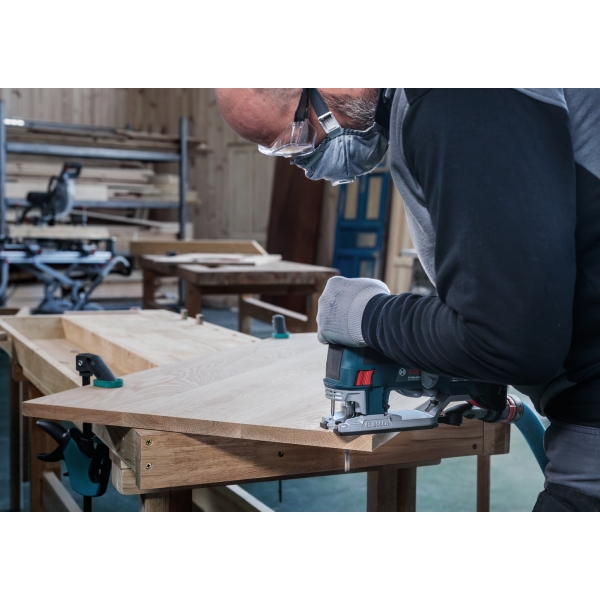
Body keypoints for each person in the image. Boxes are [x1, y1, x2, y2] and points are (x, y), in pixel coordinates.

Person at [216, 88, 600, 512]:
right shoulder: (424, 104)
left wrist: (363, 314)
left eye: (298, 139)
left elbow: (510, 338)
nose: (305, 164)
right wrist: (448, 348)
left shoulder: (457, 97)